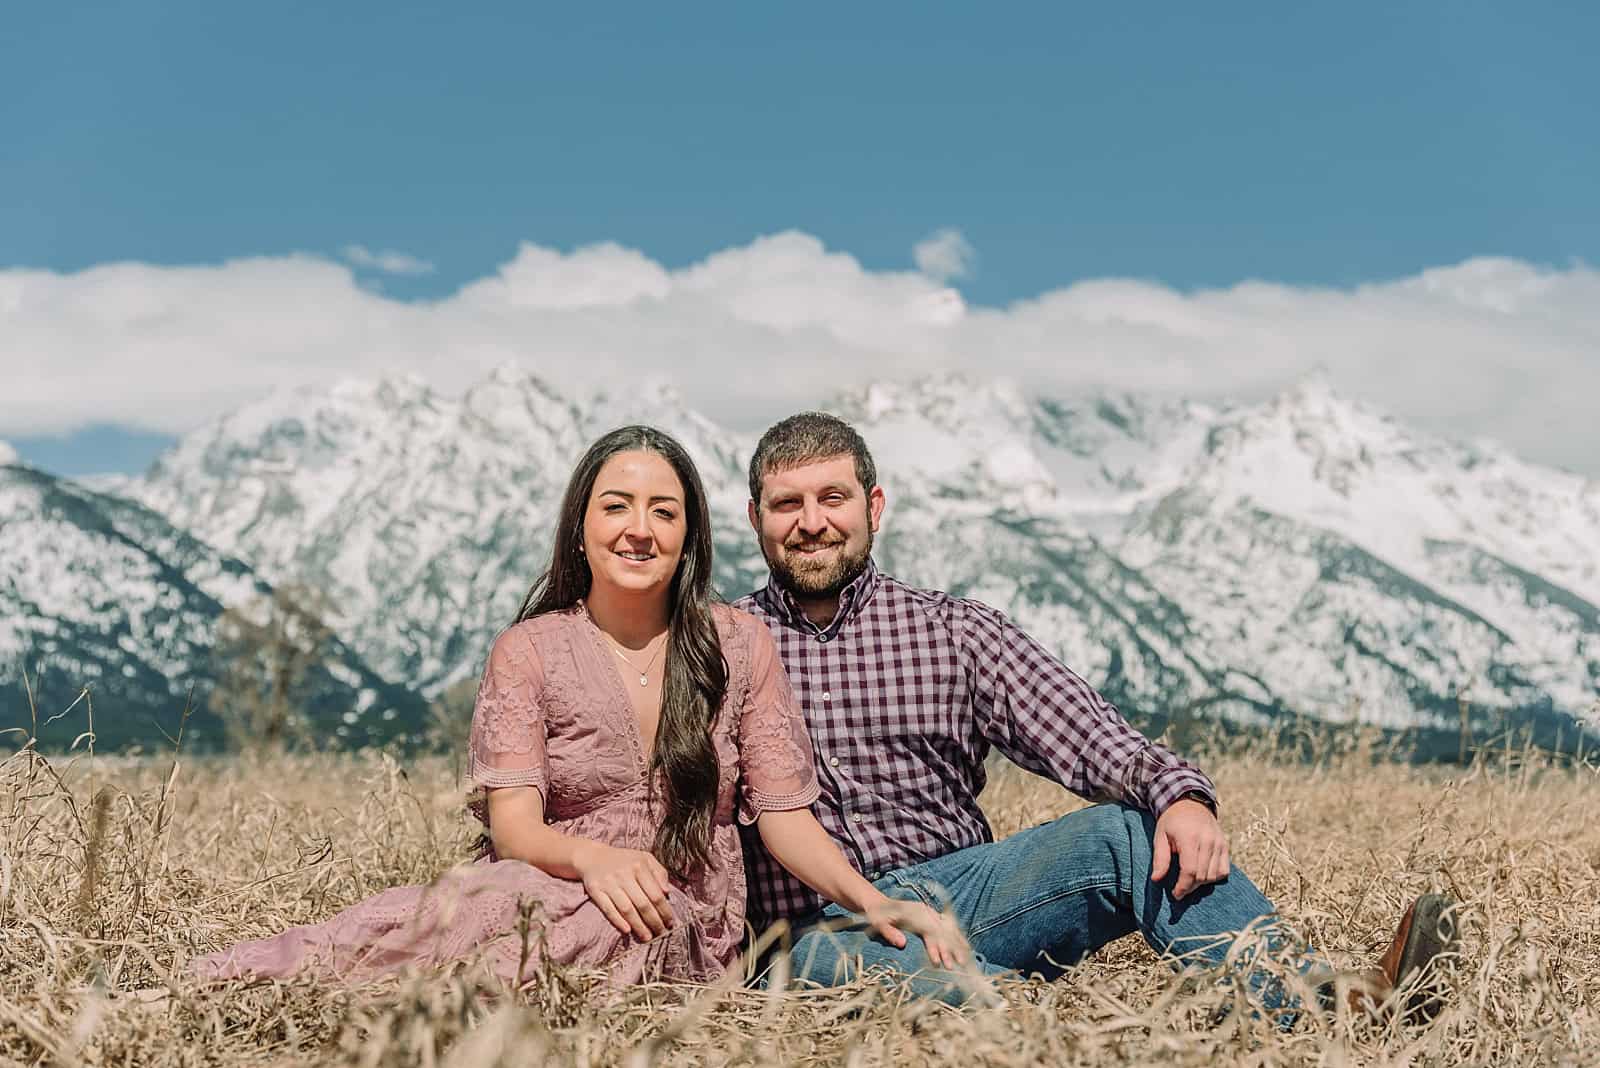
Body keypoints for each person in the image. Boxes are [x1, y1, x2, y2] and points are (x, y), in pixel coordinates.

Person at [734, 412, 1457, 1017]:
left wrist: (1179, 795)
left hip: (965, 888)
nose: (811, 523)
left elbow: (1085, 731)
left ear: (874, 506)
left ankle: (1330, 1004)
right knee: (928, 981)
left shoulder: (952, 631)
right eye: (787, 504)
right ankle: (1063, 1032)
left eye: (832, 497)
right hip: (811, 929)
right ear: (755, 518)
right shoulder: (718, 647)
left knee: (1126, 833)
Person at [191, 425, 962, 988]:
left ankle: (419, 1014)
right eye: (617, 506)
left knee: (605, 921)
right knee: (453, 917)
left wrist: (873, 900)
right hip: (546, 883)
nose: (639, 529)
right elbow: (515, 828)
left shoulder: (739, 643)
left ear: (690, 532)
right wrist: (595, 859)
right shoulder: (528, 649)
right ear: (582, 527)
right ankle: (237, 986)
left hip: (681, 916)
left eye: (664, 511)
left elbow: (787, 818)